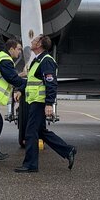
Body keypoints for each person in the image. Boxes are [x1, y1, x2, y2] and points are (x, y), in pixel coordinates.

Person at [15, 35, 76, 173]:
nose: (31, 41)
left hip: (39, 102)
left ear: (40, 44)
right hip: (33, 101)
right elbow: (31, 81)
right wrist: (20, 90)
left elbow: (51, 83)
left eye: (34, 40)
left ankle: (30, 165)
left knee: (30, 133)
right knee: (41, 132)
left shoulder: (46, 61)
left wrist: (49, 104)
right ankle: (68, 150)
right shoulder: (37, 61)